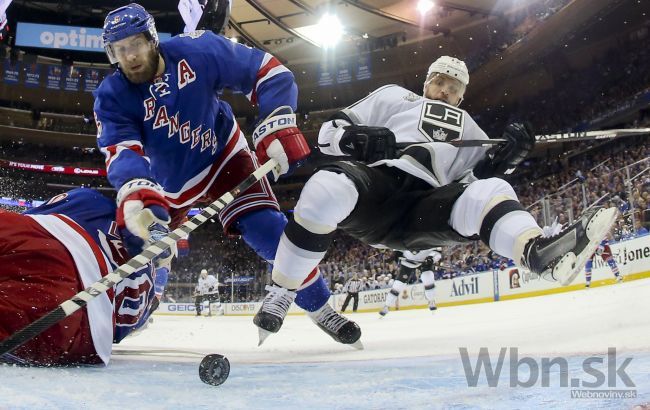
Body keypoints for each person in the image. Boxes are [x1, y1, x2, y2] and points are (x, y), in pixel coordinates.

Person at [254, 55, 619, 334]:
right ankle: (284, 290)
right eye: (440, 82)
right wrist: (354, 138)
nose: (445, 91)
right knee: (324, 187)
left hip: (426, 209)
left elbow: (474, 181)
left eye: (454, 88)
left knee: (494, 190)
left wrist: (507, 159)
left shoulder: (472, 130)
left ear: (462, 97)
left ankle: (537, 253)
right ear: (427, 82)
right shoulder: (395, 97)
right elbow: (329, 133)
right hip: (376, 188)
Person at [93, 3, 359, 346]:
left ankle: (322, 308)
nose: (129, 57)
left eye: (136, 44)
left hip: (224, 159)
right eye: (120, 49)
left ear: (152, 38)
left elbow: (268, 71)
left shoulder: (199, 49)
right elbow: (122, 151)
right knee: (140, 250)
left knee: (268, 232)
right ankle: (140, 305)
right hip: (165, 186)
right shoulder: (111, 96)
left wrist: (277, 121)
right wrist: (135, 192)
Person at [0, 188, 160, 366]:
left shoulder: (94, 201)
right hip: (81, 333)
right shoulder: (148, 292)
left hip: (46, 246)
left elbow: (26, 221)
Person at [379, 248, 441, 317]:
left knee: (428, 277)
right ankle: (387, 306)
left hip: (424, 260)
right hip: (408, 262)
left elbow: (437, 250)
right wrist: (397, 252)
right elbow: (398, 244)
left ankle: (431, 300)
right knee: (398, 285)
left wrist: (432, 259)